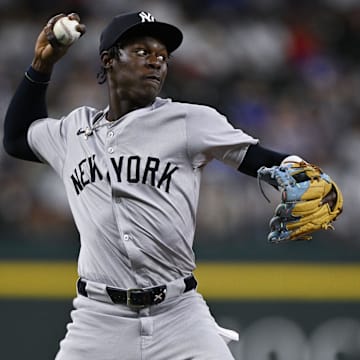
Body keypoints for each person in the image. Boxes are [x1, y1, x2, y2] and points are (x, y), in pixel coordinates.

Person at [3, 11, 323, 360]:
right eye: (142, 52)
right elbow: (18, 137)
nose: (156, 62)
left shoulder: (188, 121)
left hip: (179, 315)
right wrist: (41, 64)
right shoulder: (72, 132)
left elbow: (257, 157)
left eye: (162, 57)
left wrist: (303, 172)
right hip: (97, 319)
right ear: (109, 60)